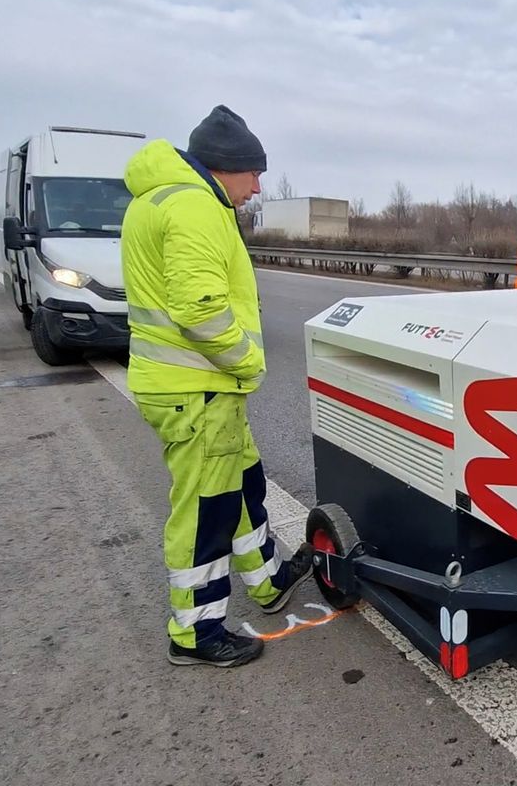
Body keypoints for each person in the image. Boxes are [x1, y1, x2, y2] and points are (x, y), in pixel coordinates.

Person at [121, 105, 313, 668]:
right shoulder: (194, 206)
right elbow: (199, 309)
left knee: (244, 480)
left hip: (188, 386)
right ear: (224, 166)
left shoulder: (156, 198)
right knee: (205, 512)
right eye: (253, 173)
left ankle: (270, 579)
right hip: (198, 386)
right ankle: (197, 633)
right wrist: (248, 362)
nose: (258, 186)